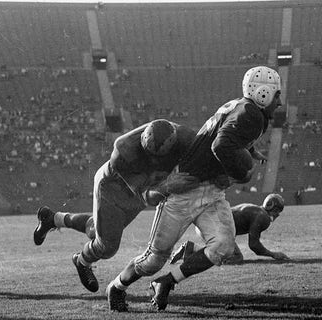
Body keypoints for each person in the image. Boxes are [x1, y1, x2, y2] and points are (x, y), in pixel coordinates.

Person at [105, 65, 282, 312]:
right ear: (263, 93)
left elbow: (226, 134)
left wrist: (250, 150)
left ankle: (166, 282)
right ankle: (116, 287)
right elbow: (221, 145)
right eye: (277, 94)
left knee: (223, 246)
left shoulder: (243, 108)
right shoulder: (251, 114)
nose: (279, 101)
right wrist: (238, 173)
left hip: (210, 192)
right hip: (185, 192)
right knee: (153, 260)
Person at [33, 119, 199, 293]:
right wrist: (168, 185)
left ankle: (53, 219)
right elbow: (146, 196)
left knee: (95, 230)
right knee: (107, 246)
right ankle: (81, 261)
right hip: (114, 187)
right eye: (148, 153)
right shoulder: (124, 148)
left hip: (146, 187)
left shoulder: (187, 138)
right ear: (142, 139)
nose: (152, 159)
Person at [170, 193, 290, 265]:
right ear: (273, 207)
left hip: (207, 225)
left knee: (227, 254)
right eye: (277, 211)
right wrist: (273, 254)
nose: (277, 214)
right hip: (216, 227)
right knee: (236, 257)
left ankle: (191, 249)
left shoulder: (256, 210)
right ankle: (191, 250)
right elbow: (254, 245)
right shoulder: (262, 217)